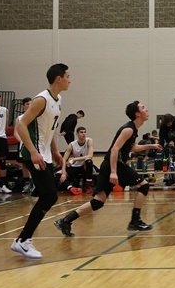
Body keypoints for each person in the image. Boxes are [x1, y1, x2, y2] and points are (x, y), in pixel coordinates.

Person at [54, 101, 163, 237]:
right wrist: (113, 171)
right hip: (116, 164)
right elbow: (114, 149)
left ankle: (65, 221)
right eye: (143, 108)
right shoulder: (128, 129)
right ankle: (135, 221)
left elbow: (133, 148)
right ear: (137, 114)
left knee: (98, 202)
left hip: (110, 164)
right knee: (144, 186)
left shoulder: (133, 129)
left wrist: (151, 146)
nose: (146, 110)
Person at [10, 63, 69, 260]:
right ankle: (23, 240)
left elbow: (48, 128)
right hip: (34, 154)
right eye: (68, 76)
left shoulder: (58, 99)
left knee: (49, 195)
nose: (70, 80)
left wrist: (55, 151)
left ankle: (23, 239)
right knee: (50, 195)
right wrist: (33, 151)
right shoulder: (41, 100)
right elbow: (21, 125)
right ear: (58, 79)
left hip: (45, 154)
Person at [60, 126, 94, 195]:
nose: (83, 134)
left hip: (84, 166)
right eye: (81, 132)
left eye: (85, 132)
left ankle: (88, 185)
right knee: (59, 174)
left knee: (89, 161)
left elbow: (90, 155)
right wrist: (63, 172)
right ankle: (71, 188)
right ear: (77, 134)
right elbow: (64, 159)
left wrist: (75, 159)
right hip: (75, 166)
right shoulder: (72, 144)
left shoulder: (89, 141)